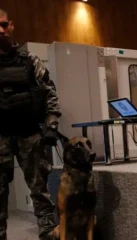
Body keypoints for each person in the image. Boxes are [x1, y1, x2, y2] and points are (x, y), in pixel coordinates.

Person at [0, 9, 61, 240]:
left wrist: (52, 123)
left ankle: (49, 235)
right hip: (1, 137)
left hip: (30, 135)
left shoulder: (30, 61)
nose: (1, 30)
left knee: (41, 193)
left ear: (12, 25)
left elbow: (49, 92)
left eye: (4, 25)